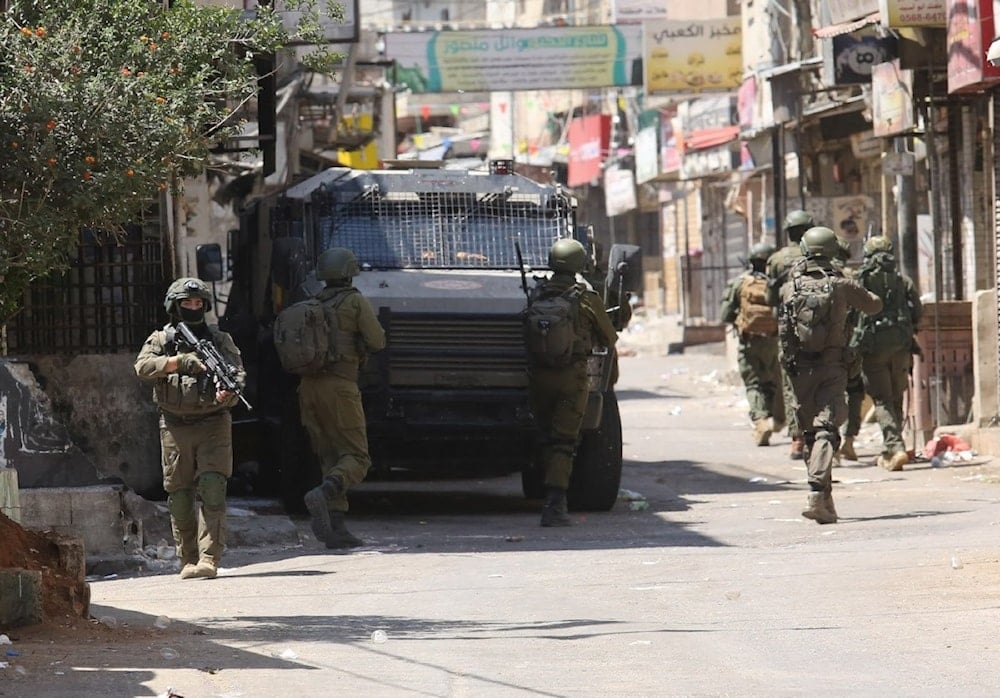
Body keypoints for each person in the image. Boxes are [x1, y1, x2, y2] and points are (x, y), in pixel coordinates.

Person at [134, 277, 246, 580]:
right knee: (180, 494)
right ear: (175, 306)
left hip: (213, 423)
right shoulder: (162, 339)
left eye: (198, 304)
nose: (193, 308)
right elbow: (142, 367)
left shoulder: (219, 340)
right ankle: (188, 558)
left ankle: (210, 558)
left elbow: (236, 372)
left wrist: (228, 392)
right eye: (187, 303)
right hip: (174, 426)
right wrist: (178, 363)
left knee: (212, 488)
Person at [778, 227, 882, 524]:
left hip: (799, 369)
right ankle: (815, 493)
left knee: (811, 431)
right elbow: (875, 304)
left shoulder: (791, 287)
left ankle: (825, 503)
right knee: (826, 428)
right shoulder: (840, 285)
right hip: (832, 366)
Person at [525, 238, 619, 527]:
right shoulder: (585, 298)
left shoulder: (536, 294)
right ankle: (554, 505)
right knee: (565, 441)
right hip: (571, 378)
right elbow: (609, 337)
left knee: (546, 438)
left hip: (539, 377)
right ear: (579, 264)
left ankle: (545, 491)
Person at [300, 247, 386, 549]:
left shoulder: (312, 303)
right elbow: (377, 340)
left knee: (330, 456)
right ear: (349, 272)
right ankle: (323, 495)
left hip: (308, 389)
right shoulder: (354, 301)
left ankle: (336, 527)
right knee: (357, 457)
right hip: (340, 386)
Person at [850, 236, 922, 471]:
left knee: (881, 399)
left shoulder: (860, 280)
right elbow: (917, 311)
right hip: (901, 345)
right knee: (896, 396)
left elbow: (850, 314)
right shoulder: (903, 281)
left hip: (872, 348)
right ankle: (892, 448)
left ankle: (895, 446)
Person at [720, 242, 785, 446]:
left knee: (754, 383)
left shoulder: (740, 283)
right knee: (773, 383)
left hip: (749, 341)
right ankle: (778, 419)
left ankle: (760, 421)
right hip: (773, 340)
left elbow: (725, 314)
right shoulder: (778, 285)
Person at [765, 209, 814, 459]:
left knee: (791, 385)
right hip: (821, 330)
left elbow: (769, 297)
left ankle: (798, 439)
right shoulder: (821, 255)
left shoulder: (777, 260)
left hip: (789, 331)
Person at [833, 237, 864, 462]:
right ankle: (849, 441)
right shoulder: (852, 279)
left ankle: (831, 446)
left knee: (828, 396)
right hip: (850, 346)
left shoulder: (817, 278)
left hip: (825, 348)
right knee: (854, 392)